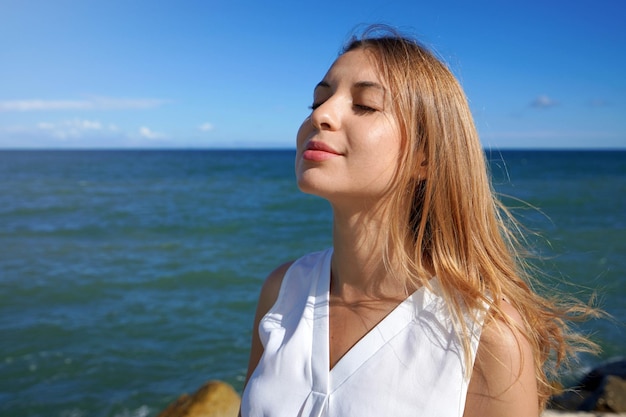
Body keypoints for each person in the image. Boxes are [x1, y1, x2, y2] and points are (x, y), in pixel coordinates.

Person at [239, 26, 597, 417]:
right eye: (317, 101)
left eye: (365, 105)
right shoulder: (283, 291)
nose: (321, 115)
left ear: (424, 156)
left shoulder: (486, 335)